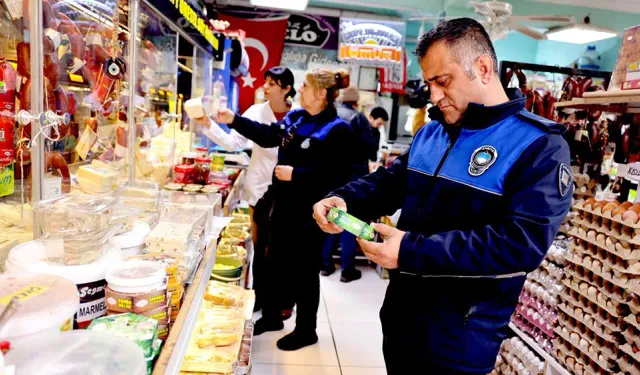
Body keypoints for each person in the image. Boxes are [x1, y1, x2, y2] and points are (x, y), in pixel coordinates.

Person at [313, 18, 572, 374]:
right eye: (429, 83)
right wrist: (345, 200)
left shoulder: (538, 145)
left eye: (443, 81)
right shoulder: (432, 133)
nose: (433, 96)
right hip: (402, 317)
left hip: (459, 336)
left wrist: (410, 250)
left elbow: (519, 244)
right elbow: (391, 183)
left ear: (482, 68)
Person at [215, 68, 355, 351]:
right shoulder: (296, 118)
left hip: (309, 214)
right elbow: (268, 136)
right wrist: (234, 121)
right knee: (270, 263)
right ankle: (271, 315)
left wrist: (297, 175)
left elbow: (337, 178)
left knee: (304, 272)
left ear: (322, 94)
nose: (299, 90)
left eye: (305, 86)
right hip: (279, 205)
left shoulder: (338, 130)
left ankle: (306, 330)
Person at [200, 66, 295, 314]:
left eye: (272, 83)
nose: (265, 87)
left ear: (286, 89)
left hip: (289, 192)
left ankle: (284, 302)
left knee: (284, 248)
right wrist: (208, 124)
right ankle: (260, 299)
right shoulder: (256, 111)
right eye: (265, 81)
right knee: (261, 245)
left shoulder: (298, 115)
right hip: (260, 189)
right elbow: (234, 143)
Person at [320, 86, 376, 282]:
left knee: (330, 217)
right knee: (349, 222)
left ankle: (325, 265)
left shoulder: (332, 116)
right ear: (356, 100)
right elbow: (370, 147)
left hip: (331, 175)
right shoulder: (359, 118)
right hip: (354, 176)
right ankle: (347, 270)